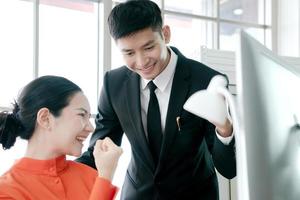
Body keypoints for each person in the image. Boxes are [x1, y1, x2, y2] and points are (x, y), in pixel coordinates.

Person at [77, 0, 236, 199]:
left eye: (149, 47)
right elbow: (99, 150)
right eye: (129, 53)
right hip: (137, 194)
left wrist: (225, 127)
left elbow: (229, 169)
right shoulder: (113, 83)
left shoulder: (206, 80)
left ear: (165, 34)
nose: (142, 62)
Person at [0, 75, 123, 200]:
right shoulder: (6, 191)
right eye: (81, 115)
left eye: (88, 117)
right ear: (45, 118)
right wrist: (105, 178)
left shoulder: (91, 176)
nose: (90, 128)